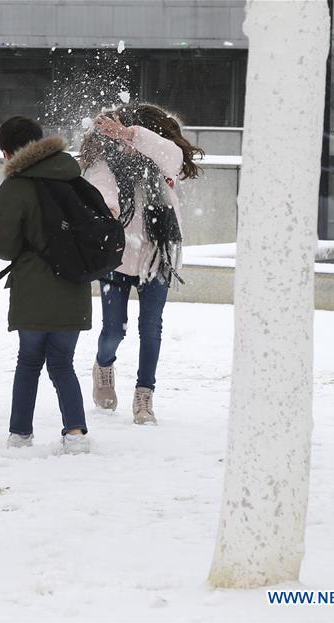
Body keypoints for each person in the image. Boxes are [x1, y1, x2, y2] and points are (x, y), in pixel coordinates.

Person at [80, 104, 204, 424]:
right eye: (119, 139)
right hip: (116, 258)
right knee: (113, 330)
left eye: (132, 137)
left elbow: (174, 156)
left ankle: (144, 396)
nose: (126, 146)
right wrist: (107, 209)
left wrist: (129, 134)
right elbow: (99, 187)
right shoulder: (107, 163)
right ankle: (103, 366)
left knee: (151, 329)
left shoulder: (161, 163)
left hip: (155, 258)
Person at [0, 116, 92, 454]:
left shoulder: (15, 185)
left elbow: (6, 248)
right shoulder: (73, 177)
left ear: (9, 151)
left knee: (29, 361)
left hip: (32, 289)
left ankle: (20, 434)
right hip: (74, 285)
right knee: (63, 362)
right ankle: (75, 433)